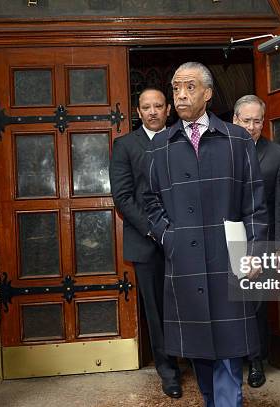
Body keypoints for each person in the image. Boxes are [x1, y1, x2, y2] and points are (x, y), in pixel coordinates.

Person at [144, 62, 267, 407]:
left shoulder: (236, 139)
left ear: (208, 94)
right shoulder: (160, 146)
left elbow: (255, 202)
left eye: (190, 87)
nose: (181, 94)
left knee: (228, 347)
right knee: (198, 346)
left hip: (229, 255)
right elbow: (149, 201)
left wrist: (254, 249)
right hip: (185, 261)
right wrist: (170, 238)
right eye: (176, 88)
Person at [109, 88, 181, 398]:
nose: (152, 112)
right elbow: (122, 197)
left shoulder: (182, 139)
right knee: (157, 309)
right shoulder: (125, 145)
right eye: (146, 107)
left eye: (158, 106)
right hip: (147, 241)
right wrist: (155, 230)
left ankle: (197, 359)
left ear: (168, 110)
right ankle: (169, 371)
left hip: (185, 240)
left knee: (187, 304)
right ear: (138, 112)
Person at [232, 94, 280, 388]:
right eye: (247, 121)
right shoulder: (220, 150)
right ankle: (231, 357)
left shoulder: (277, 155)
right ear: (235, 120)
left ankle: (256, 361)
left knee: (255, 303)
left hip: (260, 242)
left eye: (257, 121)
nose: (252, 127)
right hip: (228, 240)